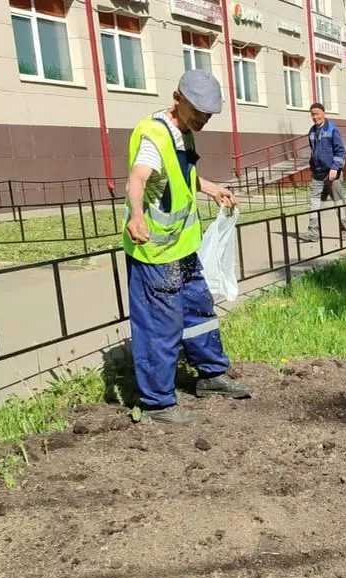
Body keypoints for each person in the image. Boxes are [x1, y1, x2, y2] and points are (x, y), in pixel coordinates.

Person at [123, 69, 252, 424]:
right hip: (155, 254)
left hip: (183, 247)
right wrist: (136, 215)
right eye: (199, 112)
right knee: (160, 325)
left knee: (197, 310)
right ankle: (158, 403)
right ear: (177, 99)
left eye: (209, 115)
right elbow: (138, 178)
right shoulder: (153, 136)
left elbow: (180, 176)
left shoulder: (184, 131)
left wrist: (209, 187)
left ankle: (211, 375)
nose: (204, 120)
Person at [303, 102, 346, 243]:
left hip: (332, 175)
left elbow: (341, 152)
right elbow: (314, 152)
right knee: (314, 204)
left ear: (323, 113)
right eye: (312, 114)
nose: (315, 117)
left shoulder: (332, 129)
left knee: (339, 203)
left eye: (317, 113)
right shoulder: (312, 131)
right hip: (317, 175)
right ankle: (313, 233)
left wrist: (335, 168)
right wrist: (313, 168)